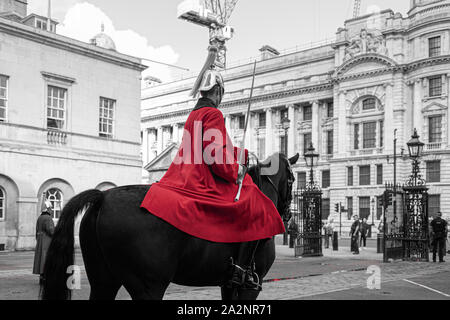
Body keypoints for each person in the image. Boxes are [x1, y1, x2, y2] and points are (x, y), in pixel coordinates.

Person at [140, 65, 285, 292]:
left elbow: (211, 146)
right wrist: (236, 171)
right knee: (256, 203)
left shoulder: (194, 115)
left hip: (185, 173)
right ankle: (243, 269)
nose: (221, 98)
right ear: (217, 91)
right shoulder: (214, 113)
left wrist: (244, 155)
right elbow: (215, 155)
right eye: (221, 93)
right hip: (203, 177)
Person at [33, 200, 55, 284]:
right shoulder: (48, 218)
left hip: (40, 240)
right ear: (48, 209)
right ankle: (46, 277)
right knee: (46, 258)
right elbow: (51, 230)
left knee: (41, 258)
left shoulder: (40, 217)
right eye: (50, 208)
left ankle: (42, 277)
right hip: (47, 240)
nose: (51, 210)